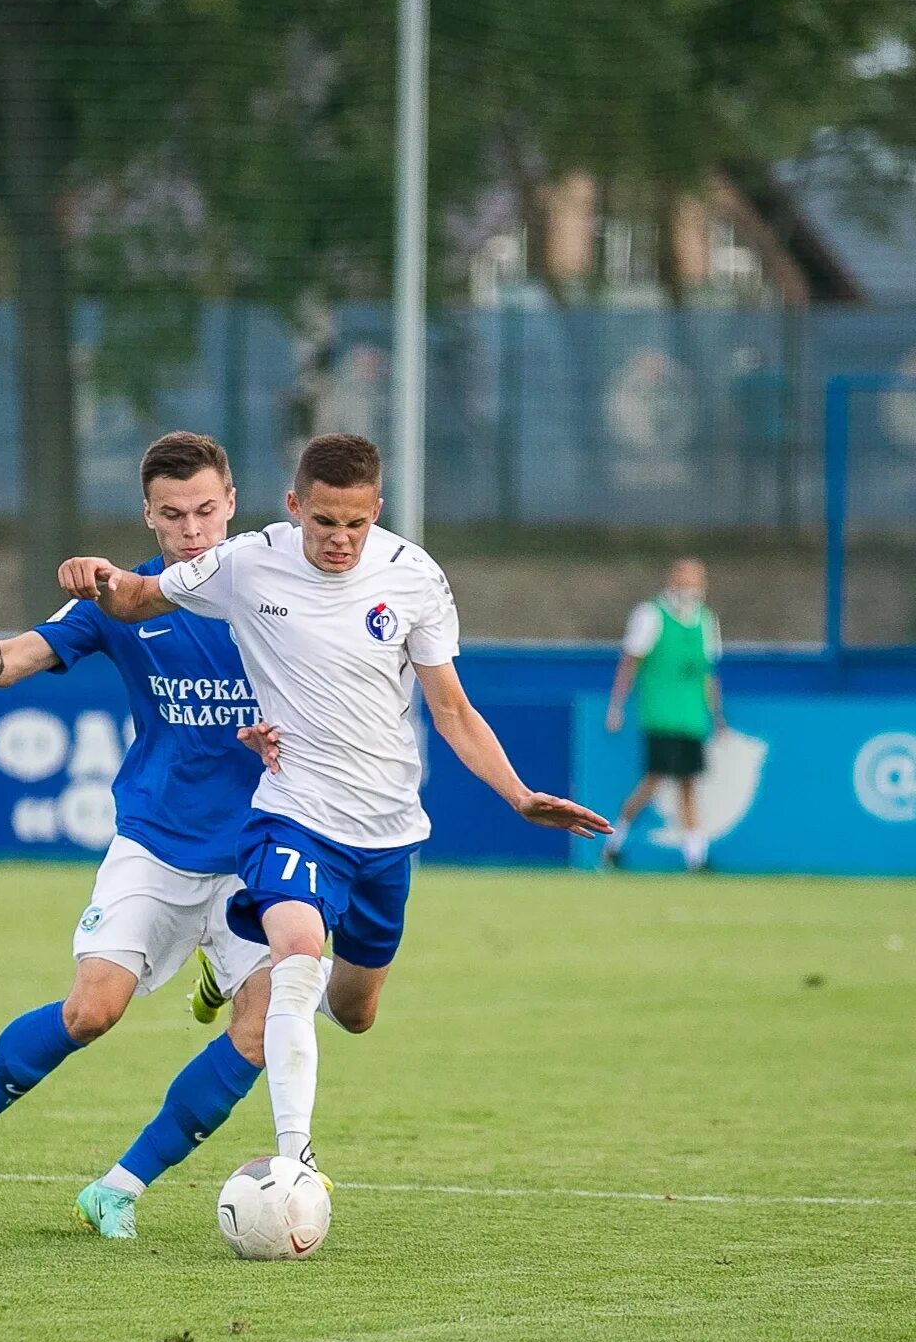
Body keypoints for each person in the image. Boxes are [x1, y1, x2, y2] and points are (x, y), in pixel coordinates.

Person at [57, 433, 612, 1176]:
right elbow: (134, 598)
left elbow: (451, 710)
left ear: (376, 511)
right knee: (294, 958)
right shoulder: (248, 560)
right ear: (295, 507)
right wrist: (97, 577)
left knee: (353, 1011)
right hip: (293, 813)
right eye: (324, 522)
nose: (340, 539)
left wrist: (516, 795)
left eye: (356, 523)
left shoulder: (414, 576)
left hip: (385, 830)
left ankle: (232, 976)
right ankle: (295, 1163)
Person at [0, 432, 279, 1240]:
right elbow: (9, 659)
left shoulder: (279, 592)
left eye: (206, 511)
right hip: (158, 845)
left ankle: (119, 1188)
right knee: (92, 1013)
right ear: (148, 515)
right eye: (173, 516)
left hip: (261, 851)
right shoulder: (117, 600)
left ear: (232, 504)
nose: (193, 530)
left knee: (265, 1029)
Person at [601, 558, 725, 871]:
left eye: (696, 581)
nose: (691, 587)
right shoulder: (651, 614)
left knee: (688, 784)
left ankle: (696, 858)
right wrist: (616, 706)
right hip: (660, 715)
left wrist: (717, 716)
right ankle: (613, 843)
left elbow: (707, 673)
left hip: (691, 718)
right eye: (685, 579)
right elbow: (630, 662)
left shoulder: (705, 620)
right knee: (653, 781)